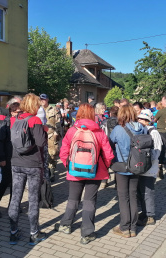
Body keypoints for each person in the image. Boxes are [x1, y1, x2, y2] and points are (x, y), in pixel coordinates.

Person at [55, 103, 114, 244]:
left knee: (73, 199)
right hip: (95, 171)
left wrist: (68, 165)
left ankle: (66, 225)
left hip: (75, 170)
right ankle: (87, 233)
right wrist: (105, 167)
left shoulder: (71, 131)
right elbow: (108, 154)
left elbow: (63, 152)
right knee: (89, 201)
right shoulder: (99, 132)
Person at [8, 93, 47, 246]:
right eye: (38, 104)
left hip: (16, 163)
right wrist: (44, 129)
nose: (39, 107)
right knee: (32, 200)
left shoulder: (15, 119)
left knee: (15, 198)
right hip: (33, 164)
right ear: (33, 105)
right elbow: (41, 142)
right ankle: (34, 233)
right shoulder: (35, 120)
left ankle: (13, 232)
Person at [110, 105, 145, 238]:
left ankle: (125, 227)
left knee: (123, 198)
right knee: (133, 196)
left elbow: (110, 142)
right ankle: (133, 228)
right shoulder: (141, 128)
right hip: (137, 166)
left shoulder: (118, 129)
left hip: (123, 166)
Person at [0, 102, 21, 218]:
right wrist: (2, 158)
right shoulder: (5, 123)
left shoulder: (21, 123)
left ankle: (12, 206)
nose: (20, 114)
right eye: (18, 112)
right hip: (7, 158)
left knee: (16, 184)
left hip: (18, 159)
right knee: (4, 183)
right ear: (12, 112)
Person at [136, 110, 162, 226]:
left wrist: (147, 161)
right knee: (142, 192)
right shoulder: (142, 131)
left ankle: (150, 216)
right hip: (142, 168)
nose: (139, 121)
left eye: (141, 119)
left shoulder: (154, 133)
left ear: (147, 121)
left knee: (148, 193)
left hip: (150, 168)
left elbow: (157, 151)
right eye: (138, 119)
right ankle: (144, 212)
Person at [40, 94, 61, 182]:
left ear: (47, 100)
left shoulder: (54, 110)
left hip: (51, 135)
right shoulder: (37, 109)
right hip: (40, 135)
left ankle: (52, 173)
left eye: (44, 99)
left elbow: (58, 123)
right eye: (41, 99)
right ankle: (44, 172)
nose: (42, 101)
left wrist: (57, 133)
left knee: (52, 154)